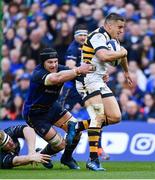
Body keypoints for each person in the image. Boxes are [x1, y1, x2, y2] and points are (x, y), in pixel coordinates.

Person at [76, 13, 133, 171]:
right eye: (119, 27)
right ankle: (93, 159)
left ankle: (78, 126)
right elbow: (103, 56)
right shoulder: (98, 36)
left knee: (115, 117)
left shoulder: (113, 39)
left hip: (99, 80)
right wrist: (123, 52)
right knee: (98, 116)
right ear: (109, 25)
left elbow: (122, 55)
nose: (122, 30)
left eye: (123, 27)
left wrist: (126, 72)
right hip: (87, 80)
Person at [22, 47, 94, 169]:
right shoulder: (38, 74)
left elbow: (79, 75)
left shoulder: (60, 68)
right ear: (43, 63)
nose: (54, 65)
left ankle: (66, 158)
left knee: (76, 130)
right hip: (35, 114)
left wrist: (97, 77)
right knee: (59, 145)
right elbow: (57, 78)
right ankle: (43, 155)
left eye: (55, 61)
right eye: (50, 62)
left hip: (52, 107)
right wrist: (77, 70)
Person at [59, 24, 110, 160]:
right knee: (61, 118)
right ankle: (60, 146)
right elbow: (70, 66)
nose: (82, 37)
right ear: (75, 36)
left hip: (88, 85)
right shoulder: (73, 48)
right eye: (80, 35)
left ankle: (98, 148)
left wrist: (101, 74)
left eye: (84, 35)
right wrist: (92, 71)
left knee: (98, 115)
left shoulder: (91, 46)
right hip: (72, 88)